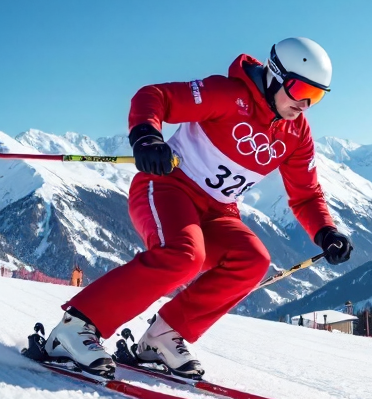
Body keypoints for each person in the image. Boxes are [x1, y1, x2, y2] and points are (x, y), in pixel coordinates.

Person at [41, 37, 353, 378]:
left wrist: (325, 232)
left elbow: (305, 194)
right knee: (184, 255)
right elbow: (154, 96)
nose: (306, 104)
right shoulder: (227, 95)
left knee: (253, 260)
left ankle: (161, 337)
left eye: (317, 96)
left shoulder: (296, 133)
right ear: (275, 75)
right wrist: (147, 135)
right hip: (167, 188)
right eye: (300, 90)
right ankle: (74, 329)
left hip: (219, 211)